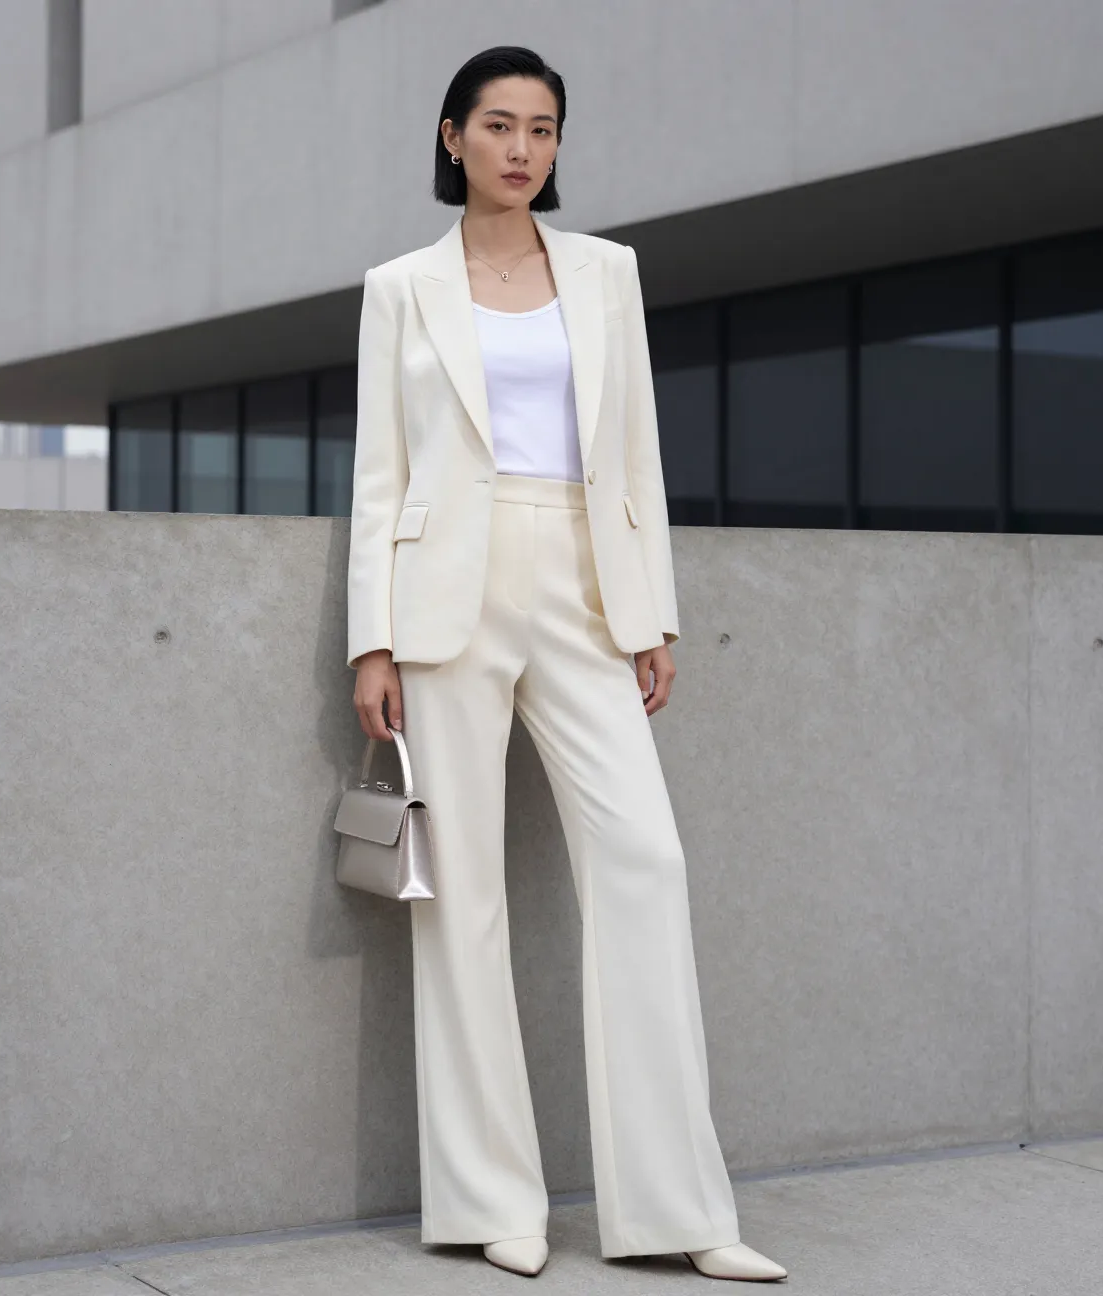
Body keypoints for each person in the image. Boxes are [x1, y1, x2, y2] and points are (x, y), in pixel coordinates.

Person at [344, 45, 788, 1283]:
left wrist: (652, 611)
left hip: (583, 590)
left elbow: (633, 451)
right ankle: (499, 1203)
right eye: (498, 125)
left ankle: (681, 1212)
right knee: (465, 902)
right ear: (452, 139)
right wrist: (368, 639)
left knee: (647, 861)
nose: (523, 148)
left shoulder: (606, 274)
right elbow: (381, 477)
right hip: (444, 602)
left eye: (543, 127)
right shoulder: (399, 290)